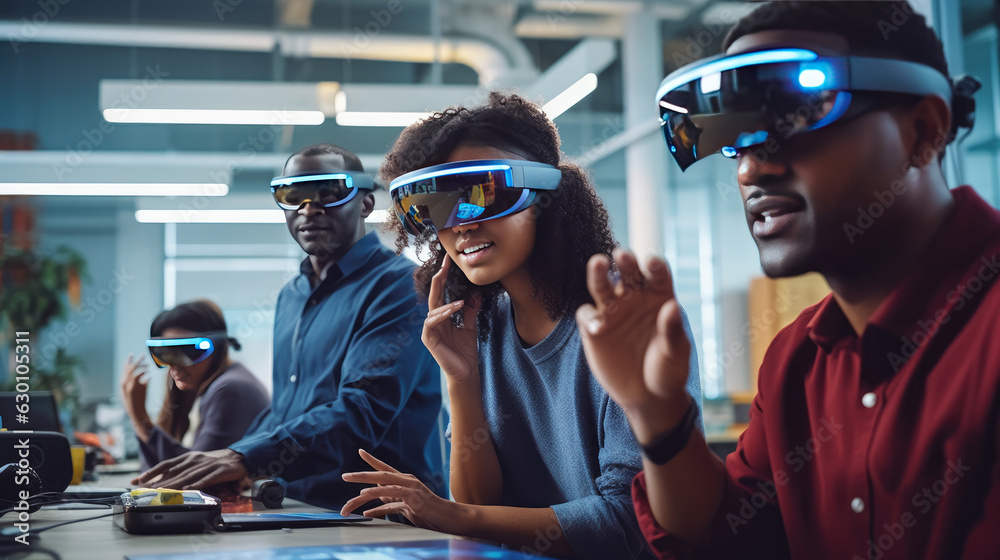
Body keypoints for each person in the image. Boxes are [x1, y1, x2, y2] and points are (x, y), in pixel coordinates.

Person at [577, 2, 999, 559]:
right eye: (737, 140)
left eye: (796, 118)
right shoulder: (794, 362)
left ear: (924, 130)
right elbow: (728, 539)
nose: (751, 169)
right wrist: (658, 414)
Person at [338, 93, 703, 559]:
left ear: (545, 195)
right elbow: (481, 511)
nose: (460, 226)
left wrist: (447, 514)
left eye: (478, 197)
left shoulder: (624, 314)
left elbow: (630, 523)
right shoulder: (482, 324)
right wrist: (462, 379)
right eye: (435, 208)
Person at [135, 144, 445, 510]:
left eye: (328, 193)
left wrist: (246, 458)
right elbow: (286, 408)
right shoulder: (291, 296)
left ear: (365, 203)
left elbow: (363, 409)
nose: (308, 209)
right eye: (292, 196)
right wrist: (224, 459)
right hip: (297, 507)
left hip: (380, 517)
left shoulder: (400, 287)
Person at [121, 300, 269, 471]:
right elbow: (151, 477)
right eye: (165, 354)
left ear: (218, 347)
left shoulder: (229, 389)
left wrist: (139, 416)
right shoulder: (203, 388)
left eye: (188, 352)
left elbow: (195, 475)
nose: (174, 367)